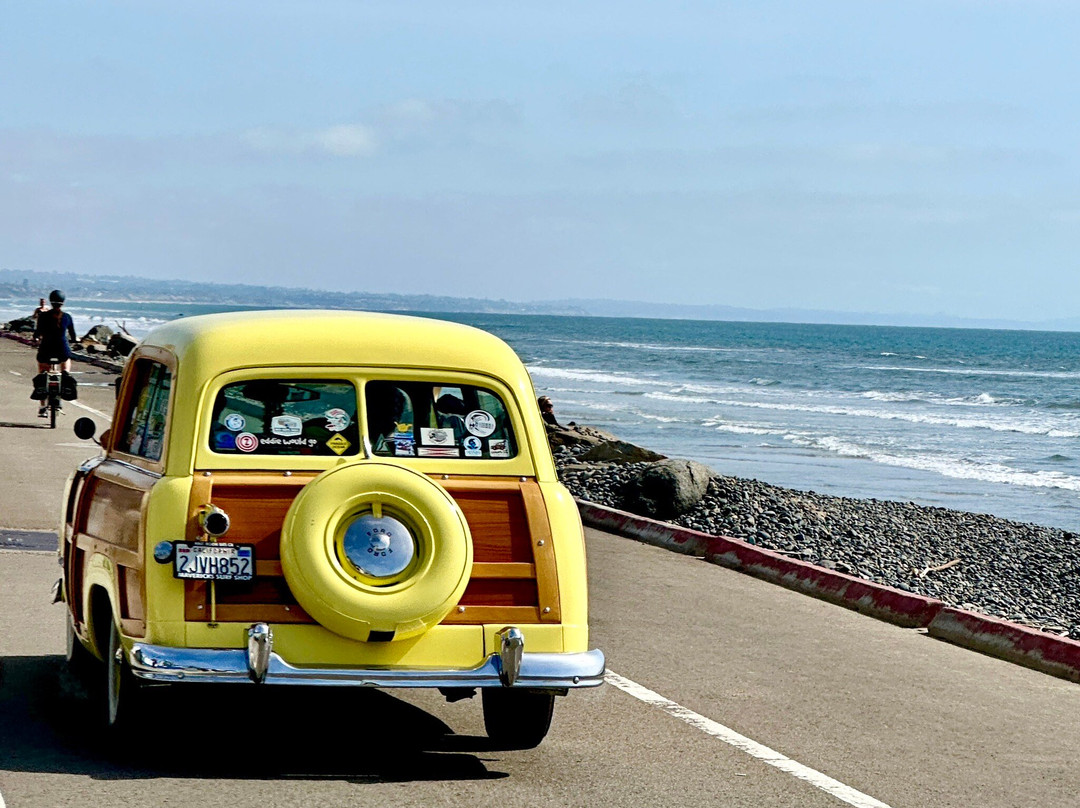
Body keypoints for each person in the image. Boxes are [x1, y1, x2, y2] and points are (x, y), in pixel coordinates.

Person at [31, 290, 77, 417]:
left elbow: (37, 332)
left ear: (50, 301)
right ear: (63, 302)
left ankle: (42, 406)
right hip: (62, 349)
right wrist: (73, 340)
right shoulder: (67, 317)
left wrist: (35, 338)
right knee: (66, 360)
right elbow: (73, 335)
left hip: (46, 349)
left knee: (42, 373)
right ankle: (66, 373)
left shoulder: (43, 316)